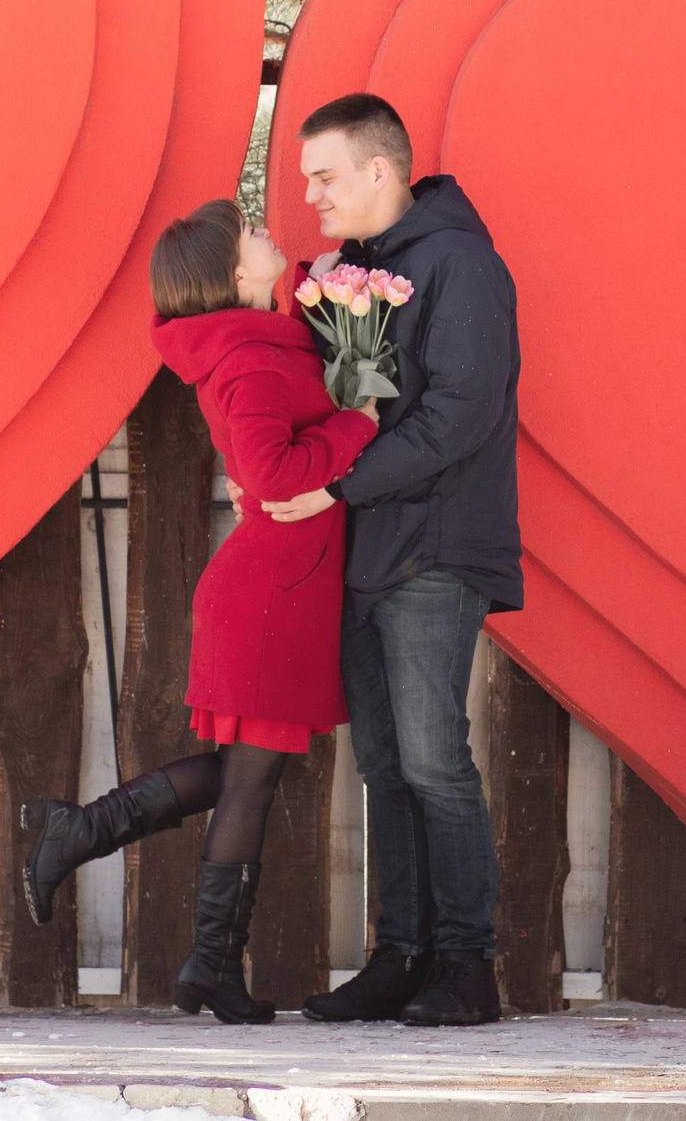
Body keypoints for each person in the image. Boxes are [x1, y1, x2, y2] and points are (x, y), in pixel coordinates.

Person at [17, 198, 377, 1024]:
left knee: (243, 772)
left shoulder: (261, 338)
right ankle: (207, 961)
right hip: (272, 592)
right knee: (249, 780)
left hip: (281, 584)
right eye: (250, 230)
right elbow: (274, 471)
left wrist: (328, 296)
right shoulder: (247, 358)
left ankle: (91, 839)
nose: (266, 229)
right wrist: (359, 424)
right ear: (231, 271)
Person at [264, 92, 521, 1028]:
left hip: (434, 547)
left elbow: (462, 411)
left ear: (381, 169)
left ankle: (467, 966)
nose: (312, 196)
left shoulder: (458, 263)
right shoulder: (358, 272)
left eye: (325, 176)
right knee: (384, 762)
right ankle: (401, 955)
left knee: (432, 758)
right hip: (366, 546)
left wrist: (341, 483)